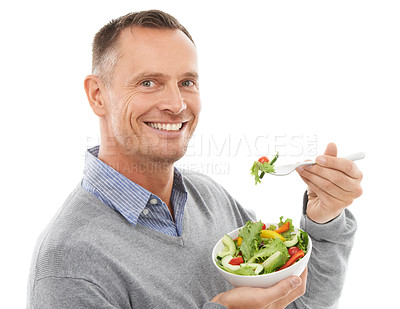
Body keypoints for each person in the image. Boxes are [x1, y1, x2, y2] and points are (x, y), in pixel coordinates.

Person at [27, 10, 363, 309]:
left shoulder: (211, 198)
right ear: (97, 95)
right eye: (148, 82)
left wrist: (324, 219)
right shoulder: (69, 261)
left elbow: (299, 302)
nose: (176, 104)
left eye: (187, 82)